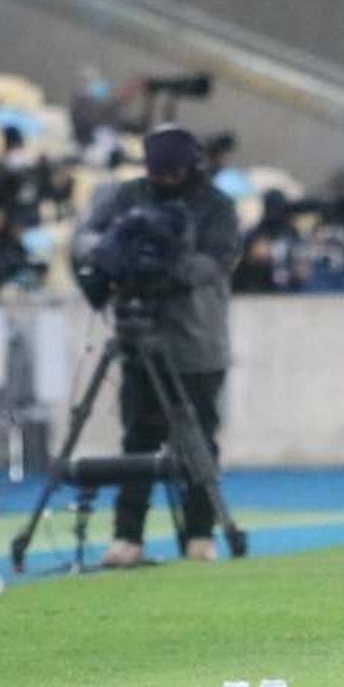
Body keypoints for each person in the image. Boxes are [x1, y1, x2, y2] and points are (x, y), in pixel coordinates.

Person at [76, 124, 241, 568]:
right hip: (139, 338)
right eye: (157, 175)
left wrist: (171, 265)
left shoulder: (217, 207)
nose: (164, 182)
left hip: (196, 344)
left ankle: (200, 534)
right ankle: (128, 537)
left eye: (172, 174)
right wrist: (114, 255)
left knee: (198, 443)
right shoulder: (130, 196)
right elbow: (88, 238)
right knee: (139, 440)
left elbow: (217, 262)